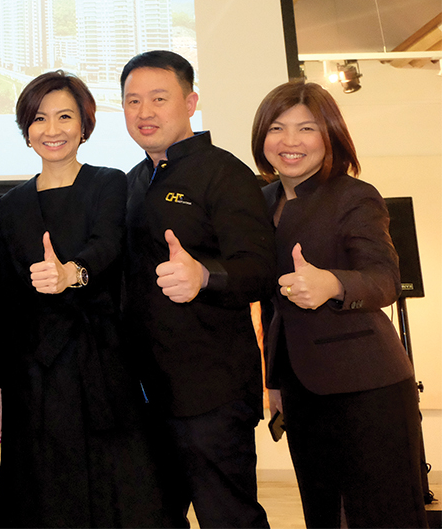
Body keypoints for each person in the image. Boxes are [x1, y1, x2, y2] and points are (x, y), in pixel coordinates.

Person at [0, 71, 165, 527]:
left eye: (65, 117)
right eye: (40, 118)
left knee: (114, 496)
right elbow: (4, 304)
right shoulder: (12, 204)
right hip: (33, 376)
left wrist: (72, 272)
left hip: (99, 365)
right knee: (42, 497)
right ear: (26, 129)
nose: (53, 129)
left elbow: (108, 245)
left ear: (84, 125)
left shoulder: (109, 183)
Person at [252, 80, 428, 528]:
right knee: (324, 513)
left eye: (306, 128)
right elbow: (272, 305)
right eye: (277, 128)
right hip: (299, 387)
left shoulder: (354, 195)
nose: (290, 141)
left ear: (329, 134)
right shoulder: (261, 201)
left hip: (368, 383)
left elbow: (385, 279)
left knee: (380, 515)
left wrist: (332, 283)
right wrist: (274, 379)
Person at [120, 50, 274, 528]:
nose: (144, 112)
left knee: (228, 518)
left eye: (158, 98)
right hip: (145, 395)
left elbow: (260, 270)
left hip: (212, 394)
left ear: (190, 103)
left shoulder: (224, 172)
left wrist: (204, 276)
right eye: (132, 101)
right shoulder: (131, 182)